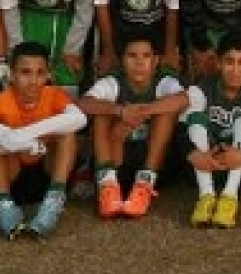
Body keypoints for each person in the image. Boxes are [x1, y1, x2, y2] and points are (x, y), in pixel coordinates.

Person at [0, 42, 87, 239]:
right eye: (25, 72)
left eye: (40, 73)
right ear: (11, 74)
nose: (33, 81)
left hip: (49, 171)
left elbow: (79, 118)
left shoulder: (55, 95)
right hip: (13, 177)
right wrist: (23, 142)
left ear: (48, 75)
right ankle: (4, 205)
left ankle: (53, 201)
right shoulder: (2, 100)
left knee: (68, 133)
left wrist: (23, 135)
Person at [78, 36, 188, 220]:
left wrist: (139, 114)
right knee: (102, 112)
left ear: (155, 61)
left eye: (146, 56)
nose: (139, 62)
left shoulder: (164, 82)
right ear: (122, 60)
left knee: (166, 110)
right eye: (132, 56)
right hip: (118, 156)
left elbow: (183, 99)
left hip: (154, 162)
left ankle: (144, 185)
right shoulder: (112, 82)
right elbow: (84, 104)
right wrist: (120, 111)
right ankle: (108, 187)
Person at [182, 34, 241, 228]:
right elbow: (181, 128)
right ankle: (206, 196)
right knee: (196, 117)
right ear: (218, 63)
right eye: (229, 62)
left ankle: (229, 198)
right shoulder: (200, 88)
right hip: (205, 164)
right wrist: (192, 153)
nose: (235, 70)